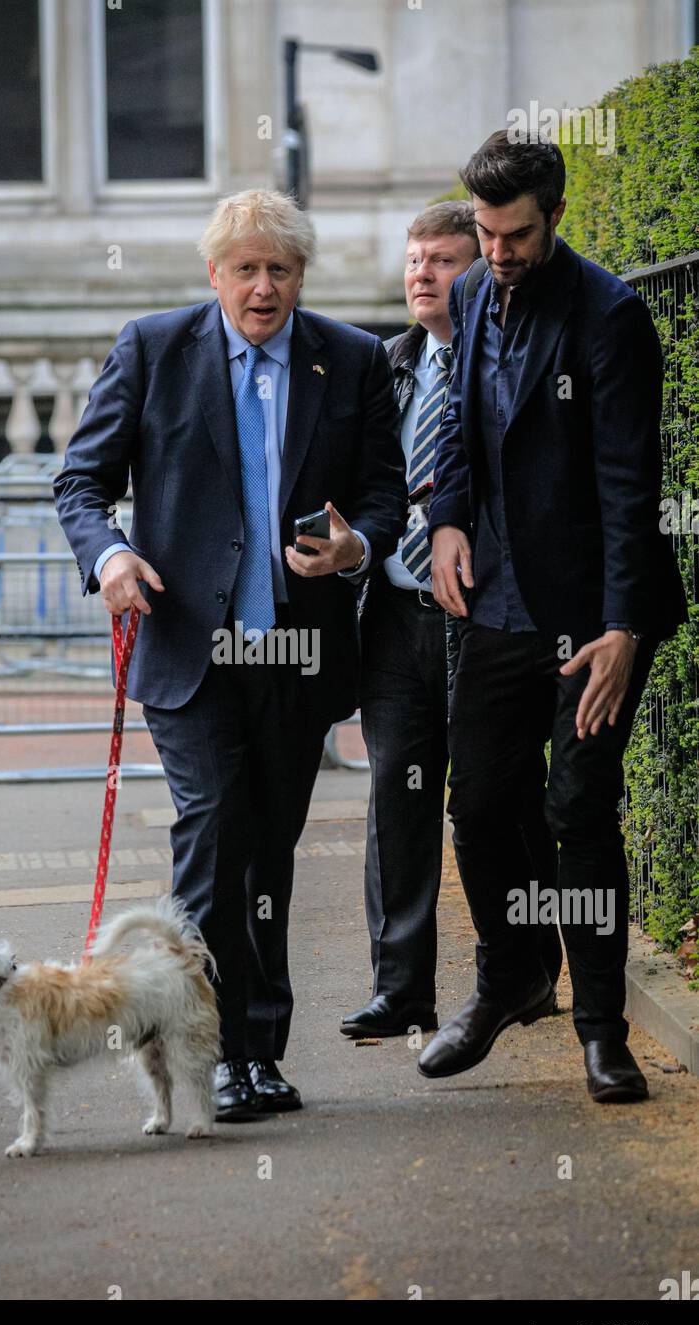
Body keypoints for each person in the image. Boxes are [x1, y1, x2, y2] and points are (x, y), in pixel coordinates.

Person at [53, 189, 407, 1120]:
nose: (263, 287)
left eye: (280, 269)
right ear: (215, 275)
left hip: (297, 650)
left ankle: (260, 1050)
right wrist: (112, 554)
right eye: (245, 269)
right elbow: (80, 481)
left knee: (267, 854)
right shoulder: (154, 348)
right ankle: (210, 1051)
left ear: (300, 276)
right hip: (189, 645)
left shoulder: (354, 358)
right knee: (212, 834)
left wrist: (354, 547)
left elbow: (383, 492)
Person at [419, 131, 687, 1100]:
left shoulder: (608, 316)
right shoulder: (464, 297)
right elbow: (457, 429)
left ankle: (600, 1032)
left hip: (594, 609)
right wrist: (446, 520)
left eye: (515, 234)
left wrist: (620, 628)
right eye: (484, 233)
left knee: (577, 807)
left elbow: (628, 485)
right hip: (495, 599)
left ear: (555, 216)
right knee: (477, 802)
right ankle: (512, 976)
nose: (496, 252)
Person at [341, 201, 561, 1041]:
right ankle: (400, 991)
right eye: (413, 259)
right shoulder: (384, 367)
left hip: (487, 617)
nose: (421, 275)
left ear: (479, 270)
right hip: (396, 616)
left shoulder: (506, 356)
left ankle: (527, 972)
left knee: (500, 797)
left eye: (441, 260)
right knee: (398, 798)